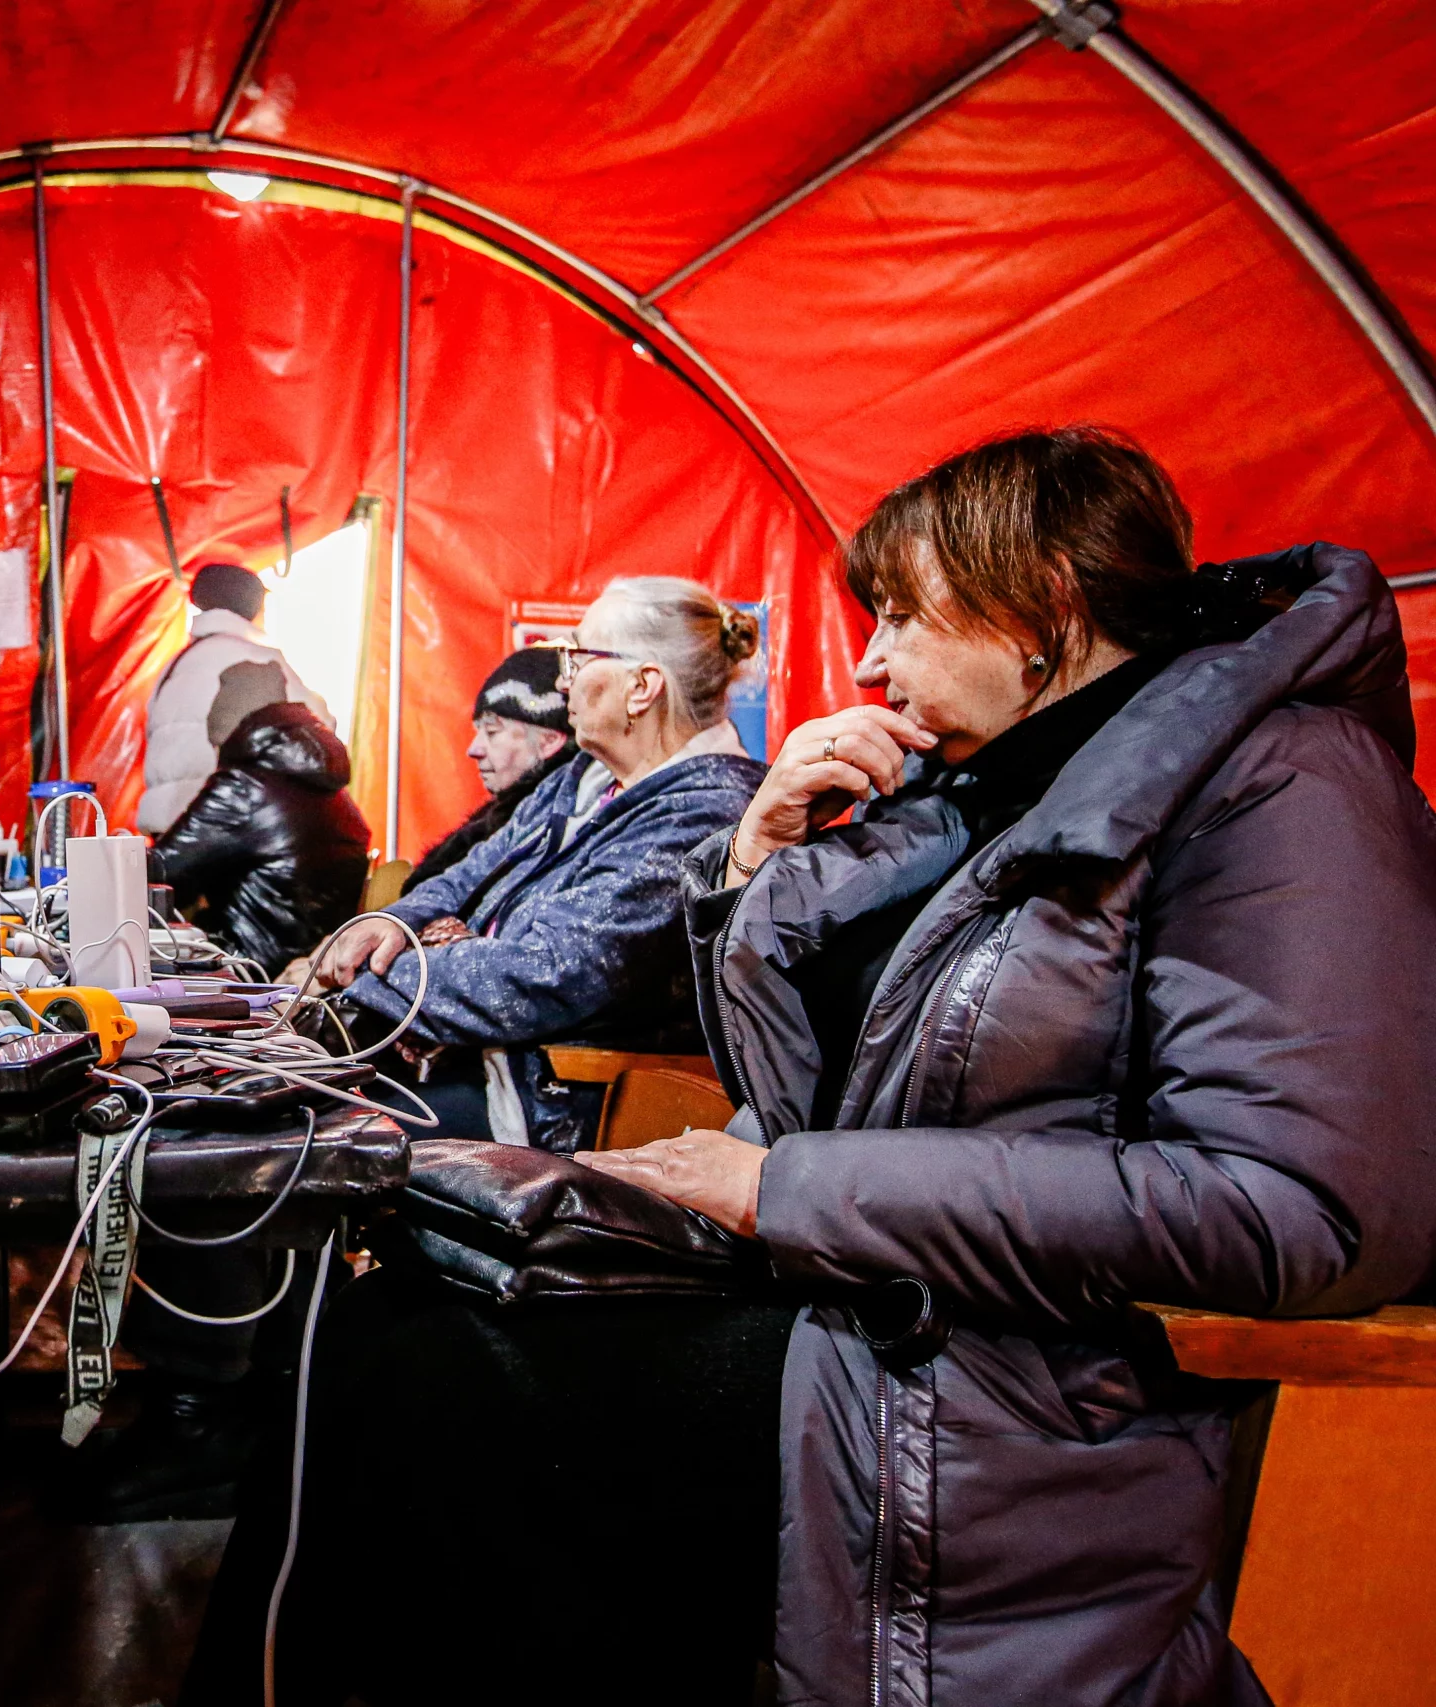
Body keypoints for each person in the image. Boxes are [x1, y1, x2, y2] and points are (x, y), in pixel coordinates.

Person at [580, 428, 1436, 1703]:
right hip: (889, 1305)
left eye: (900, 617)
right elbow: (815, 1091)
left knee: (467, 1396)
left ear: (1041, 601)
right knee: (416, 1337)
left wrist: (791, 1192)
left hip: (1054, 1388)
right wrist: (756, 871)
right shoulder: (993, 789)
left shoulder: (1286, 783)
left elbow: (1300, 1213)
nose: (869, 662)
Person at [313, 577, 763, 1148]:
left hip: (556, 1102)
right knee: (300, 1097)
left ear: (642, 687)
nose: (561, 678)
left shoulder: (704, 812)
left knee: (322, 1131)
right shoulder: (587, 776)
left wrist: (366, 975)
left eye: (577, 657)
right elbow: (472, 870)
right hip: (486, 1058)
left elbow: (548, 973)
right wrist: (391, 924)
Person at [148, 699, 371, 973]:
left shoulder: (244, 788)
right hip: (314, 967)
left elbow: (160, 873)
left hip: (244, 966)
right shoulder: (338, 798)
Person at [138, 561, 327, 837]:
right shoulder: (256, 658)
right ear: (252, 605)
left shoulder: (176, 663)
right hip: (220, 827)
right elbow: (318, 733)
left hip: (171, 827)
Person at [400, 645, 576, 895]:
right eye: (478, 731)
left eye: (492, 732)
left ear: (549, 741)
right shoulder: (511, 820)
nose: (474, 749)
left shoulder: (550, 831)